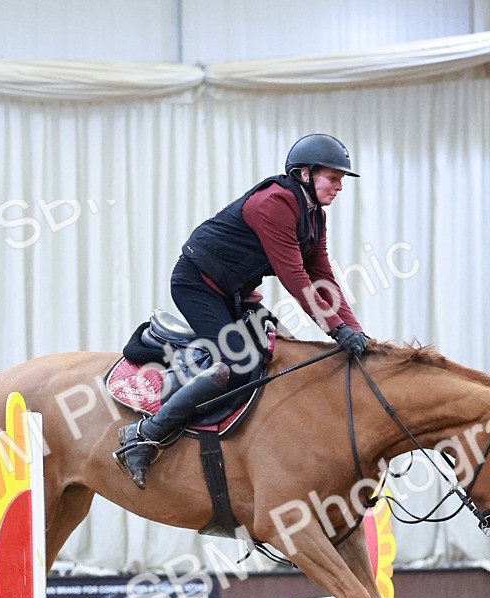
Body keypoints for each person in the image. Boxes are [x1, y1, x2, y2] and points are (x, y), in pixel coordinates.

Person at [115, 133, 369, 488]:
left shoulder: (316, 217)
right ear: (305, 174)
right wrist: (335, 329)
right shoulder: (275, 203)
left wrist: (355, 331)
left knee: (285, 350)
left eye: (341, 180)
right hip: (197, 284)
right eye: (334, 177)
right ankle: (142, 437)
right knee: (238, 363)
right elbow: (294, 277)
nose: (340, 186)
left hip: (235, 293)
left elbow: (323, 276)